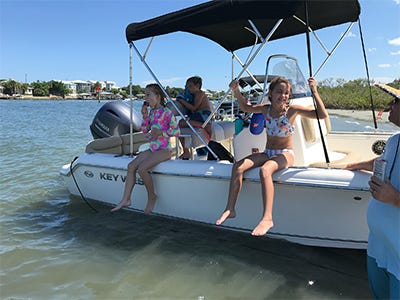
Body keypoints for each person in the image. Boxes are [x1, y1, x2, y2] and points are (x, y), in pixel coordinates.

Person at [216, 76, 328, 236]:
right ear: (271, 93)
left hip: (285, 154)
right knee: (238, 166)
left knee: (265, 171)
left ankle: (267, 217)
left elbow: (321, 114)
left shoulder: (292, 110)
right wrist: (236, 91)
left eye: (286, 93)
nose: (283, 96)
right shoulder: (265, 109)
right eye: (279, 92)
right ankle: (230, 208)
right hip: (267, 152)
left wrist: (314, 91)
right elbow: (245, 108)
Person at [344, 84, 399, 299]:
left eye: (395, 102)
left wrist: (394, 198)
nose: (389, 106)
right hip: (378, 247)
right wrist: (354, 165)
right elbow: (382, 162)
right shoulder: (394, 140)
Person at [111, 83, 180, 214]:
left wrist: (161, 133)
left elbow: (176, 132)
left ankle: (152, 196)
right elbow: (144, 131)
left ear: (158, 96)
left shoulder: (167, 112)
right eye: (145, 95)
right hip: (153, 149)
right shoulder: (152, 112)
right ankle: (126, 199)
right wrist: (144, 116)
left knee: (142, 169)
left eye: (148, 95)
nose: (146, 98)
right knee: (131, 166)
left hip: (165, 150)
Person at [178, 76, 212, 159]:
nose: (187, 88)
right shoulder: (194, 95)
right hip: (202, 116)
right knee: (181, 124)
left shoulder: (200, 93)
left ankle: (186, 151)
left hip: (203, 115)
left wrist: (182, 101)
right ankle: (186, 151)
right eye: (186, 86)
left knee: (180, 123)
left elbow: (194, 108)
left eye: (190, 86)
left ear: (197, 86)